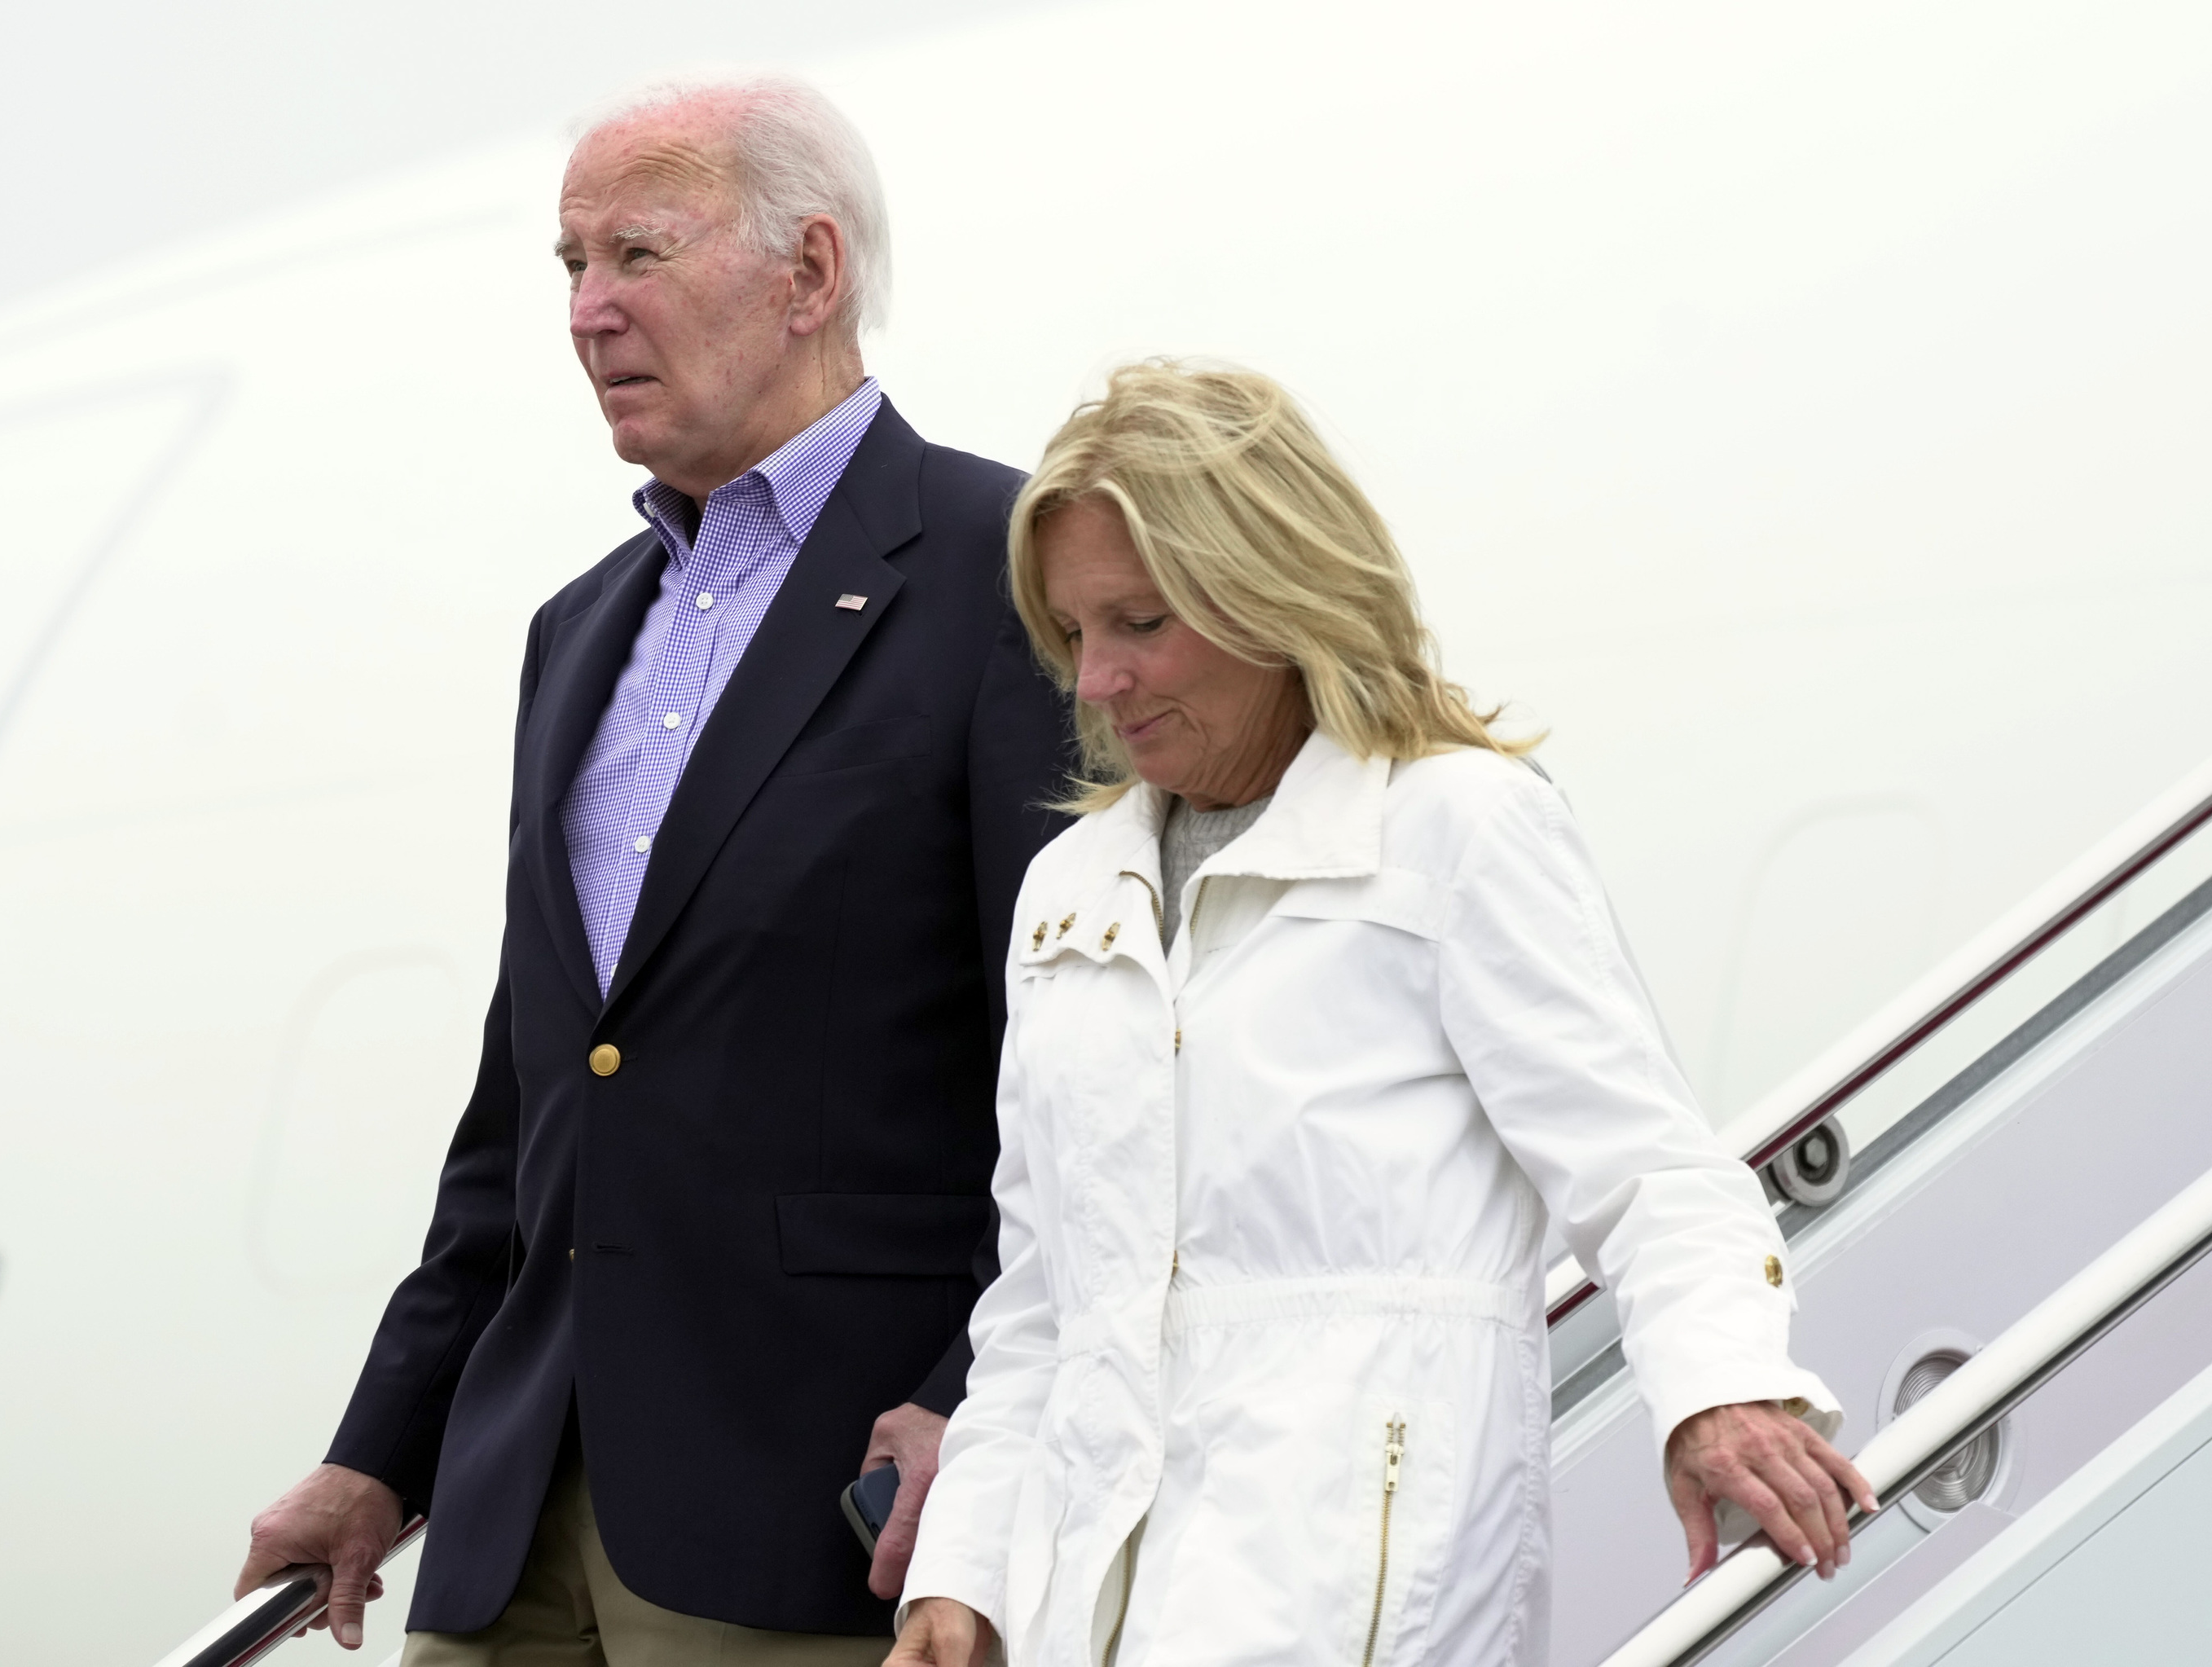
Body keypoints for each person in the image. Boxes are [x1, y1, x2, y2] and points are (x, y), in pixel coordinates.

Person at [233, 75, 1074, 1662]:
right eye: (569, 267)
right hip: (516, 1513)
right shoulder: (580, 628)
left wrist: (986, 1411)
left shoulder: (1009, 575)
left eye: (637, 253)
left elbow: (1083, 1079)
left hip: (819, 1512)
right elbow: (534, 1101)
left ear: (810, 273)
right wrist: (381, 1452)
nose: (588, 313)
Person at [890, 362, 1876, 1667]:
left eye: (1140, 623)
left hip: (1363, 1614)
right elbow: (1039, 1306)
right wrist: (960, 1579)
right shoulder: (1071, 891)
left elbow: (1648, 1173)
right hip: (1093, 1617)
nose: (1096, 683)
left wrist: (1718, 1391)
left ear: (1270, 590)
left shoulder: (1455, 827)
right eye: (1074, 635)